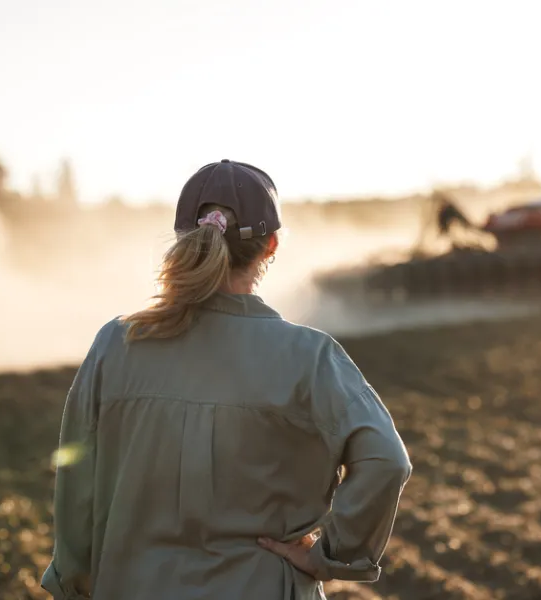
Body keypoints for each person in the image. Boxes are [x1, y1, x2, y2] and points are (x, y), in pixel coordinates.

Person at [40, 159, 413, 599]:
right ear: (271, 246)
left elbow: (77, 477)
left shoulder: (115, 345)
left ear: (184, 240)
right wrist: (329, 556)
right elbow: (386, 461)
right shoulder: (310, 358)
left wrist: (74, 577)